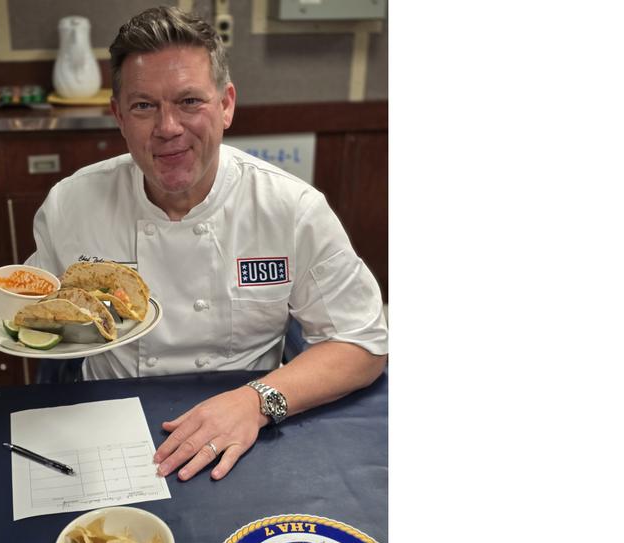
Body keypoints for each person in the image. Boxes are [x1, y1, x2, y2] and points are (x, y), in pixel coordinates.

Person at [26, 6, 388, 482]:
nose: (168, 127)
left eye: (189, 101)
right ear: (118, 115)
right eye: (143, 106)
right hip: (109, 423)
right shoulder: (70, 206)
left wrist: (257, 402)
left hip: (247, 426)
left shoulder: (290, 208)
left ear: (226, 105)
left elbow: (362, 342)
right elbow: (34, 316)